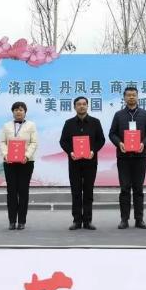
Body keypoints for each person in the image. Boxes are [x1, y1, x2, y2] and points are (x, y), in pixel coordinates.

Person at [109, 87, 146, 229]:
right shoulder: (118, 115)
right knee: (124, 189)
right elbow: (112, 134)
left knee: (138, 189)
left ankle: (139, 219)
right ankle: (124, 219)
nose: (131, 97)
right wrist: (119, 143)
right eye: (128, 95)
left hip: (140, 157)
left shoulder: (145, 114)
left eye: (133, 95)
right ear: (124, 98)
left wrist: (143, 144)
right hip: (123, 157)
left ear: (137, 97)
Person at [59, 96, 106, 230]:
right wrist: (70, 152)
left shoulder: (95, 122)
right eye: (79, 104)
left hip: (90, 162)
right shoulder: (69, 123)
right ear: (74, 107)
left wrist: (93, 151)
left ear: (87, 106)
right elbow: (63, 141)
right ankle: (77, 221)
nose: (82, 106)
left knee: (88, 192)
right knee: (76, 192)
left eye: (84, 104)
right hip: (74, 163)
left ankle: (87, 221)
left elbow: (101, 140)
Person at [0, 101, 38, 230]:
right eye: (16, 110)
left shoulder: (31, 125)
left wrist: (26, 156)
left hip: (26, 162)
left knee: (23, 191)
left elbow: (34, 143)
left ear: (25, 112)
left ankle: (21, 221)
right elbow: (2, 142)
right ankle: (11, 221)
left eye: (21, 110)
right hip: (9, 162)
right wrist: (6, 155)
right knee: (11, 191)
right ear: (12, 112)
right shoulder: (6, 126)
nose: (18, 112)